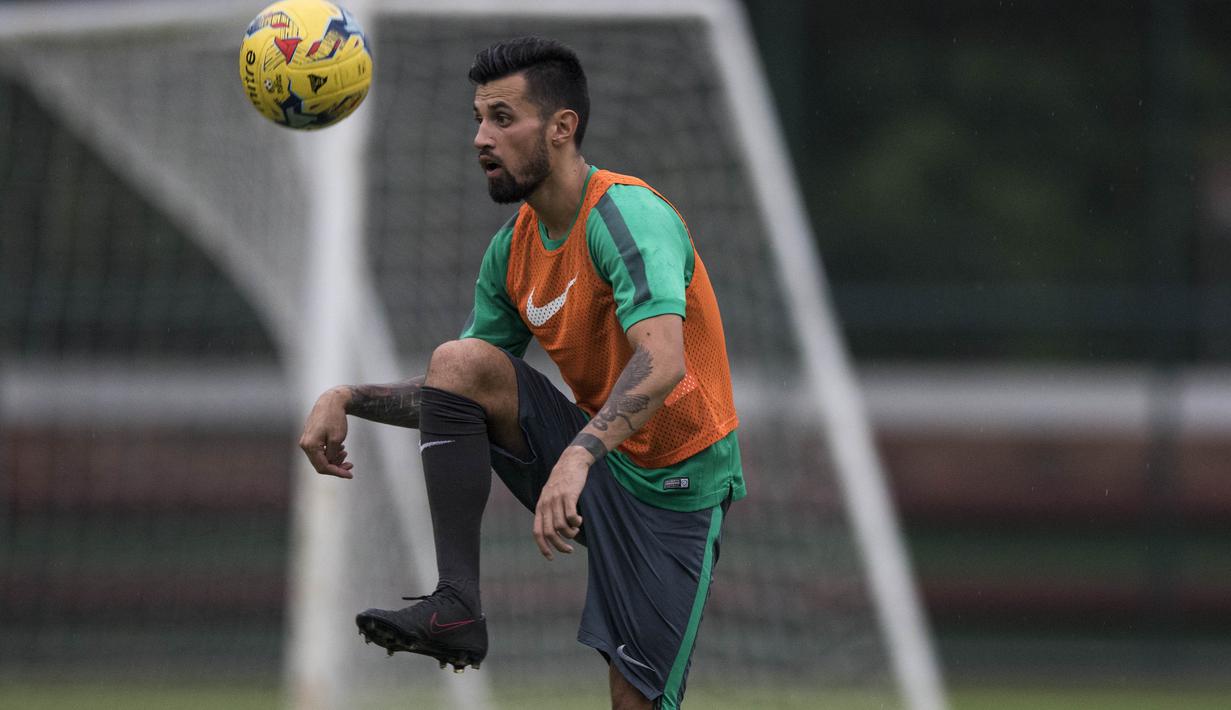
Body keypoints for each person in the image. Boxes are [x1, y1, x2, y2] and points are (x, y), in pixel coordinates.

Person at [299, 36, 744, 710]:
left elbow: (663, 364)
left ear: (561, 128)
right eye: (478, 118)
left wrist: (577, 457)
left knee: (636, 705)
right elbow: (457, 391)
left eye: (503, 118)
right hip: (595, 459)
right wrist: (344, 397)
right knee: (459, 358)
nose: (481, 137)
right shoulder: (512, 250)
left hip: (675, 486)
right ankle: (456, 606)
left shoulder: (627, 216)